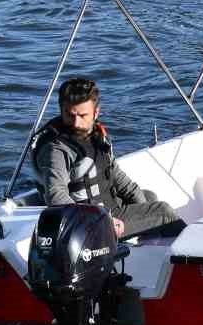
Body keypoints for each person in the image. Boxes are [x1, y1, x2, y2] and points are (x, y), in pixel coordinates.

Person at [31, 76, 181, 239]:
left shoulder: (97, 135)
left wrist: (142, 205)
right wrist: (103, 221)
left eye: (82, 115)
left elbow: (119, 179)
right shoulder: (56, 149)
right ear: (61, 110)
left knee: (148, 197)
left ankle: (145, 248)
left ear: (96, 113)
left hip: (108, 209)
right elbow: (56, 195)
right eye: (69, 115)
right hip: (88, 224)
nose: (75, 123)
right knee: (164, 211)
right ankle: (186, 254)